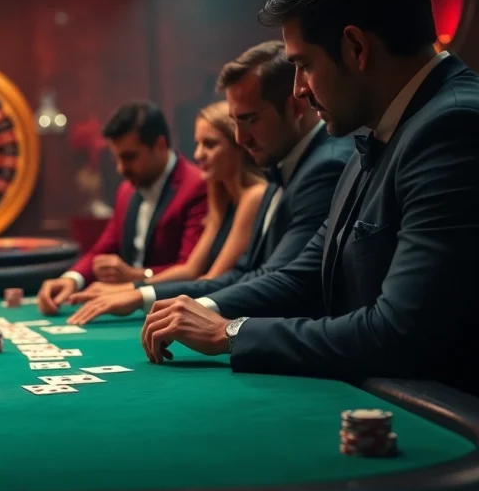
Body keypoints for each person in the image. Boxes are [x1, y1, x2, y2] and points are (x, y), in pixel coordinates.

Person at [137, 0, 479, 395]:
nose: (297, 89)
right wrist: (206, 308)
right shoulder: (382, 127)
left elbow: (401, 331)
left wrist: (230, 334)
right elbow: (307, 274)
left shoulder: (452, 127)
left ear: (356, 48)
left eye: (304, 65)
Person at [66, 41, 352, 326]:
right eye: (235, 122)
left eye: (249, 120)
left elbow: (286, 280)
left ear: (294, 107)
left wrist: (181, 304)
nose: (241, 139)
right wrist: (145, 295)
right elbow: (246, 273)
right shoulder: (281, 166)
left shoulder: (324, 166)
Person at [37, 101, 208, 314]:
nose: (121, 169)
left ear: (160, 145)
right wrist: (72, 279)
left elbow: (193, 269)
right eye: (116, 158)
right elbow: (102, 250)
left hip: (171, 310)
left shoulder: (197, 186)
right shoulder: (126, 191)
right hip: (125, 303)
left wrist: (135, 276)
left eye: (130, 157)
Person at [135, 100, 266, 285]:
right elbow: (190, 269)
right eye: (197, 144)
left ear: (238, 145)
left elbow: (212, 280)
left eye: (210, 145)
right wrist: (127, 289)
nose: (198, 154)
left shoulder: (254, 196)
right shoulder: (221, 200)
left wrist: (137, 293)